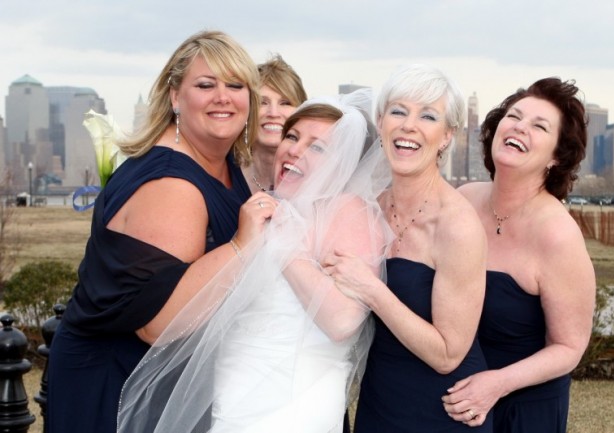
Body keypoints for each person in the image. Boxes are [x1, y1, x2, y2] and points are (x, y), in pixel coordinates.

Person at [117, 89, 393, 433]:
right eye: (292, 136)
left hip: (295, 406)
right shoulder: (270, 210)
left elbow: (342, 321)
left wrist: (281, 244)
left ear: (343, 163)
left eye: (317, 147)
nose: (294, 149)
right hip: (234, 394)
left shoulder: (348, 211)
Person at [46, 30, 271, 433]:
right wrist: (241, 245)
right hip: (116, 383)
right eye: (206, 85)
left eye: (235, 85)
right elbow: (158, 323)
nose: (223, 97)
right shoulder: (173, 186)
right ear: (174, 96)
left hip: (161, 378)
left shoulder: (223, 164)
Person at [323, 64, 491, 432]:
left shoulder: (457, 225)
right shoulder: (367, 207)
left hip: (442, 408)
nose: (409, 125)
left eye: (428, 116)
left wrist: (371, 290)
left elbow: (448, 354)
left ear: (447, 135)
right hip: (379, 399)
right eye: (398, 111)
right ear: (381, 120)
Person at [442, 78, 596, 432]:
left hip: (522, 410)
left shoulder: (558, 235)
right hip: (456, 400)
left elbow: (569, 347)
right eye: (514, 116)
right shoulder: (463, 199)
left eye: (539, 126)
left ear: (557, 156)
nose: (519, 127)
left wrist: (495, 384)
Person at [241, 54, 308, 193]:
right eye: (262, 102)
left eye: (285, 103)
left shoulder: (315, 176)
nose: (273, 113)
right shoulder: (222, 171)